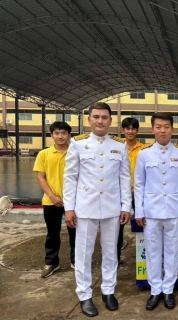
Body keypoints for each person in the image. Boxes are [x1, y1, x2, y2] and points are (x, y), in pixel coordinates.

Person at [63, 102, 132, 317]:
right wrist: (69, 208)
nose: (100, 121)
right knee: (84, 253)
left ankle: (108, 291)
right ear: (89, 120)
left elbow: (124, 178)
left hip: (112, 208)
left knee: (111, 253)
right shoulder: (78, 144)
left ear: (111, 121)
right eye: (96, 117)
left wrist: (125, 206)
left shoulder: (119, 146)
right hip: (85, 208)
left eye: (104, 117)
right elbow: (70, 178)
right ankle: (84, 295)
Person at [134, 113, 178, 310]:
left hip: (175, 211)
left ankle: (168, 290)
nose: (162, 130)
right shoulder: (144, 154)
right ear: (152, 129)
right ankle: (155, 290)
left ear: (172, 129)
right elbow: (139, 184)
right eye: (158, 127)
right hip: (151, 211)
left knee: (172, 252)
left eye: (166, 126)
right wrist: (139, 211)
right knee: (152, 252)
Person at [33, 121, 76, 278]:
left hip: (74, 202)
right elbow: (40, 177)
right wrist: (52, 196)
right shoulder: (44, 154)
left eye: (63, 133)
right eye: (56, 133)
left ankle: (76, 261)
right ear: (51, 135)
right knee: (52, 233)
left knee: (76, 232)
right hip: (51, 201)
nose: (60, 136)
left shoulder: (74, 152)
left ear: (69, 135)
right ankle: (51, 262)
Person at [118, 117, 147, 264]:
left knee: (144, 221)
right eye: (127, 128)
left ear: (137, 130)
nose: (130, 131)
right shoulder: (117, 148)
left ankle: (145, 252)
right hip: (120, 193)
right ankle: (115, 256)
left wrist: (138, 188)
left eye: (133, 128)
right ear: (123, 130)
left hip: (140, 192)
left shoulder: (145, 149)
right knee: (118, 224)